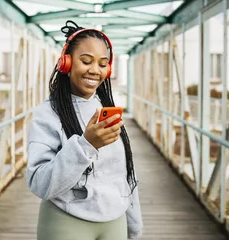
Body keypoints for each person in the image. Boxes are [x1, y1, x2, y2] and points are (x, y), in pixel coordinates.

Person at [26, 20, 143, 240]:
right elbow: (40, 183)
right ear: (66, 63)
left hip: (114, 221)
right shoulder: (47, 114)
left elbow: (124, 173)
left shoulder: (107, 109)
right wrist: (86, 145)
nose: (94, 70)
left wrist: (134, 225)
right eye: (86, 61)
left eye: (102, 64)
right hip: (65, 221)